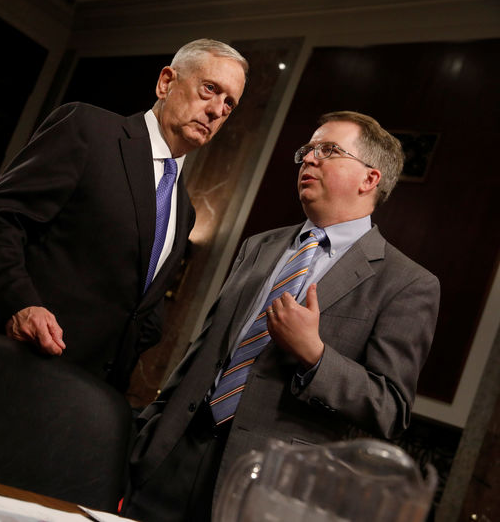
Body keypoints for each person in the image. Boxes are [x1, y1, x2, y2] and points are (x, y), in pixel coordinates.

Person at [122, 111, 441, 521]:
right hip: (168, 454)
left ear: (369, 179)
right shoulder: (260, 245)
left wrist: (315, 355)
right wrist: (149, 430)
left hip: (268, 486)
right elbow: (205, 349)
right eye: (307, 150)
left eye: (328, 150)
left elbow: (390, 408)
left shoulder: (406, 282)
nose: (309, 159)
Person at [0, 39, 248, 390]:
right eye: (210, 89)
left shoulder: (185, 210)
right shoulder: (89, 128)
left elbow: (143, 307)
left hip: (86, 399)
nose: (216, 109)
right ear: (166, 82)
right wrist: (19, 305)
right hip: (10, 363)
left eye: (229, 104)